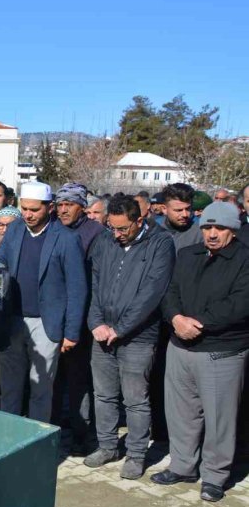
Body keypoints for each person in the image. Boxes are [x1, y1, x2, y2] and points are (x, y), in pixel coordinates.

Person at [152, 202, 249, 503]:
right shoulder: (187, 254)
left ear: (232, 230)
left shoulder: (244, 259)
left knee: (220, 417)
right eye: (207, 227)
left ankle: (215, 476)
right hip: (181, 345)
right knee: (181, 412)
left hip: (221, 350)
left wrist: (200, 324)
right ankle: (182, 466)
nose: (212, 233)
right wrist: (176, 319)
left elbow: (240, 303)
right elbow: (170, 292)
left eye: (219, 228)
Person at [84, 195, 175, 479]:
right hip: (102, 333)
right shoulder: (105, 242)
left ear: (140, 220)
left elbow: (151, 293)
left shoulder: (160, 244)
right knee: (103, 395)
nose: (118, 234)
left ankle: (136, 455)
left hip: (138, 336)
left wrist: (120, 328)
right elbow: (96, 286)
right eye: (113, 227)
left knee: (135, 399)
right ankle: (108, 445)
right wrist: (95, 322)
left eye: (124, 229)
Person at [0, 181, 87, 422]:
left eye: (34, 209)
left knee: (41, 391)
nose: (27, 214)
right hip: (12, 321)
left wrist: (71, 332)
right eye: (24, 208)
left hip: (45, 324)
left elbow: (77, 288)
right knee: (10, 388)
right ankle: (9, 439)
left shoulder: (67, 239)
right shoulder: (16, 230)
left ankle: (36, 446)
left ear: (49, 208)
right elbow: (4, 264)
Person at [52, 182, 105, 447]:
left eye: (69, 205)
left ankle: (81, 432)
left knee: (78, 378)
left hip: (80, 316)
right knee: (55, 376)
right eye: (60, 204)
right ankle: (57, 425)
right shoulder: (53, 229)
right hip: (53, 314)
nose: (63, 210)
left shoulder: (95, 233)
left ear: (81, 207)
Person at [161, 182, 202, 251]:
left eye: (188, 209)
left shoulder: (200, 234)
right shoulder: (152, 232)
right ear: (164, 209)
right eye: (178, 210)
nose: (185, 214)